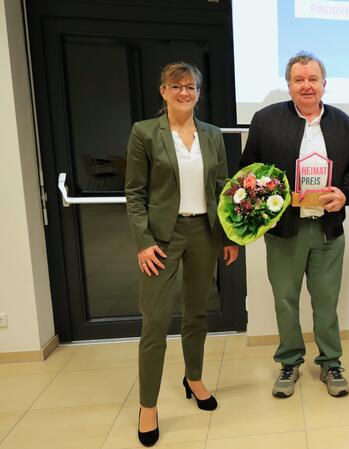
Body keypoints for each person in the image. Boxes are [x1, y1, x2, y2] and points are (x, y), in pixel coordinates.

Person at [125, 62, 239, 447]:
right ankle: (148, 406)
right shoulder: (144, 133)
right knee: (155, 321)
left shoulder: (211, 135)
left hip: (204, 233)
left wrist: (228, 236)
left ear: (199, 93)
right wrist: (142, 241)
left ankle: (193, 378)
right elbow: (135, 193)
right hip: (162, 237)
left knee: (197, 312)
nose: (184, 92)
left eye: (191, 87)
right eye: (177, 86)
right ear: (163, 91)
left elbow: (223, 188)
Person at [239, 51, 349, 398]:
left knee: (326, 301)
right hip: (284, 232)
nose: (306, 86)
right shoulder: (265, 121)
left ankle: (330, 362)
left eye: (312, 79)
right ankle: (290, 362)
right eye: (299, 80)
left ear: (325, 84)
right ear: (289, 84)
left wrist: (345, 193)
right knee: (285, 300)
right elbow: (248, 172)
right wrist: (273, 198)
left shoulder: (342, 122)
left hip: (327, 230)